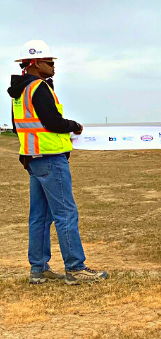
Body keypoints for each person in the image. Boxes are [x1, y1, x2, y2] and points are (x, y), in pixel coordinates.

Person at [8, 40, 108, 285]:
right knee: (65, 214)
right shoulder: (39, 87)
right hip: (51, 159)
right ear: (36, 63)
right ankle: (75, 268)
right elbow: (53, 122)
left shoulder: (20, 91)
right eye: (50, 62)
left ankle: (39, 268)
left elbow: (17, 127)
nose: (54, 66)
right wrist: (74, 126)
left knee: (40, 217)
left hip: (34, 160)